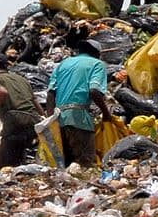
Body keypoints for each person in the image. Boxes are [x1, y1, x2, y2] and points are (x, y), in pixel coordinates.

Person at [45, 32, 114, 168]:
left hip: (59, 120)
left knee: (65, 166)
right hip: (79, 120)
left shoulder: (63, 64)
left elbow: (51, 93)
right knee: (84, 166)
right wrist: (106, 114)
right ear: (96, 54)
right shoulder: (97, 64)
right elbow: (94, 90)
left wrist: (51, 121)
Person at [0, 53, 43, 169]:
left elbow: (2, 92)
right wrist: (43, 118)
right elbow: (35, 101)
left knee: (4, 159)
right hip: (34, 120)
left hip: (15, 119)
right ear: (7, 66)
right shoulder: (22, 79)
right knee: (20, 152)